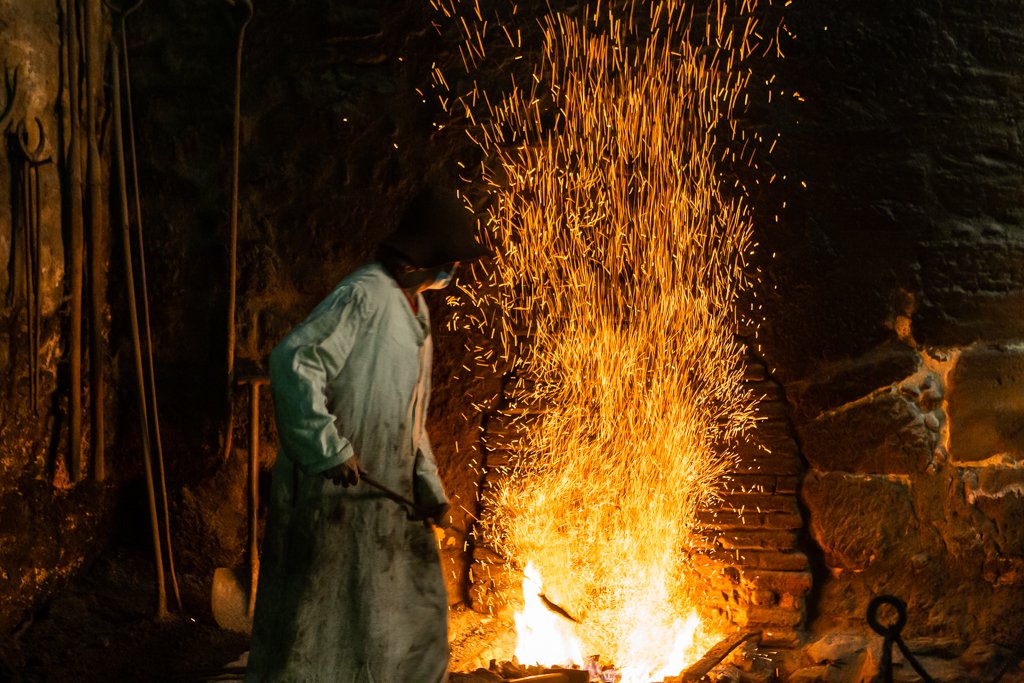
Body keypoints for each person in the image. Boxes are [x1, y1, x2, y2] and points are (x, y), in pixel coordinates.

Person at [246, 187, 489, 682]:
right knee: (322, 623)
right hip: (335, 493)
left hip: (387, 495)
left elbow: (410, 416)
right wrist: (327, 448)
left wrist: (428, 488)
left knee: (413, 615)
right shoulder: (364, 295)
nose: (454, 274)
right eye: (451, 263)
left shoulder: (415, 310)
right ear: (425, 258)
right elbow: (295, 360)